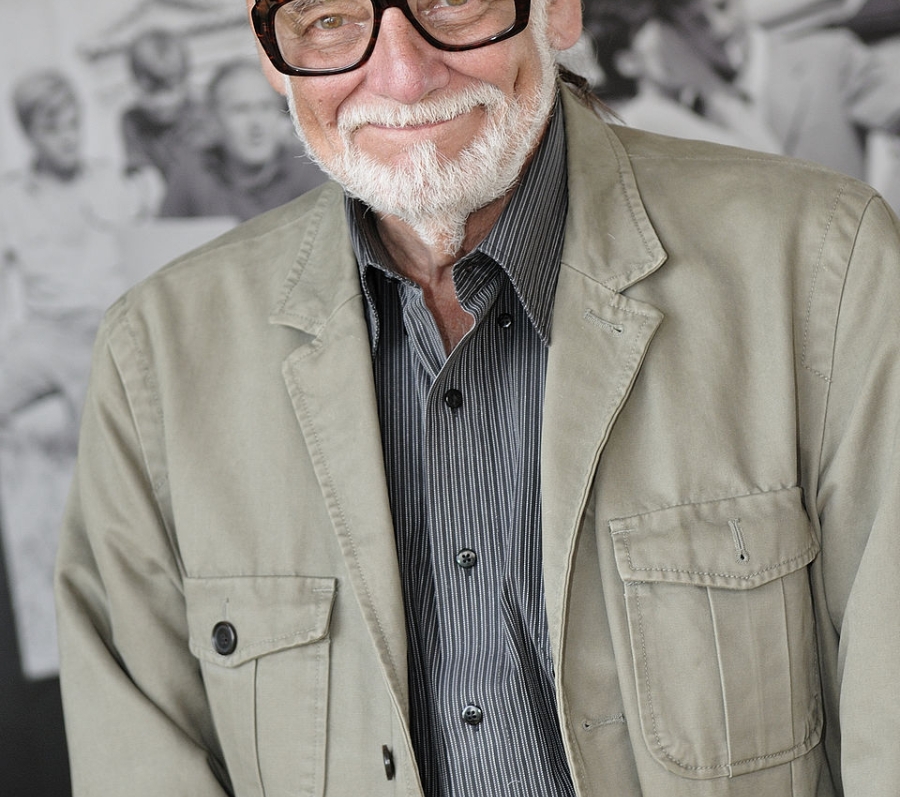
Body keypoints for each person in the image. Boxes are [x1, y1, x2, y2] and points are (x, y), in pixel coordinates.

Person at [54, 0, 900, 793]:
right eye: (329, 18)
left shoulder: (825, 268)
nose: (401, 76)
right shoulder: (155, 361)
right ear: (272, 52)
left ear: (560, 8)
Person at [625, 0, 900, 180]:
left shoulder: (829, 54)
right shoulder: (692, 114)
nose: (719, 29)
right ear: (676, 33)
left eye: (722, 7)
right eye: (698, 23)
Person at [0, 70, 130, 432]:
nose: (69, 138)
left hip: (104, 328)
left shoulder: (108, 181)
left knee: (92, 432)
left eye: (74, 125)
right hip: (42, 334)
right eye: (53, 130)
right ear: (29, 134)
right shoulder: (9, 198)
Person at [159, 59, 327, 221]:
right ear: (214, 119)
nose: (256, 124)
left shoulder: (310, 173)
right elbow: (168, 241)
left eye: (265, 107)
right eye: (241, 110)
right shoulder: (192, 175)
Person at [119, 28, 207, 209]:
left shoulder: (201, 114)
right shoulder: (133, 121)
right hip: (161, 204)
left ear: (185, 80)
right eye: (151, 91)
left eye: (169, 90)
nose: (162, 102)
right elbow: (143, 174)